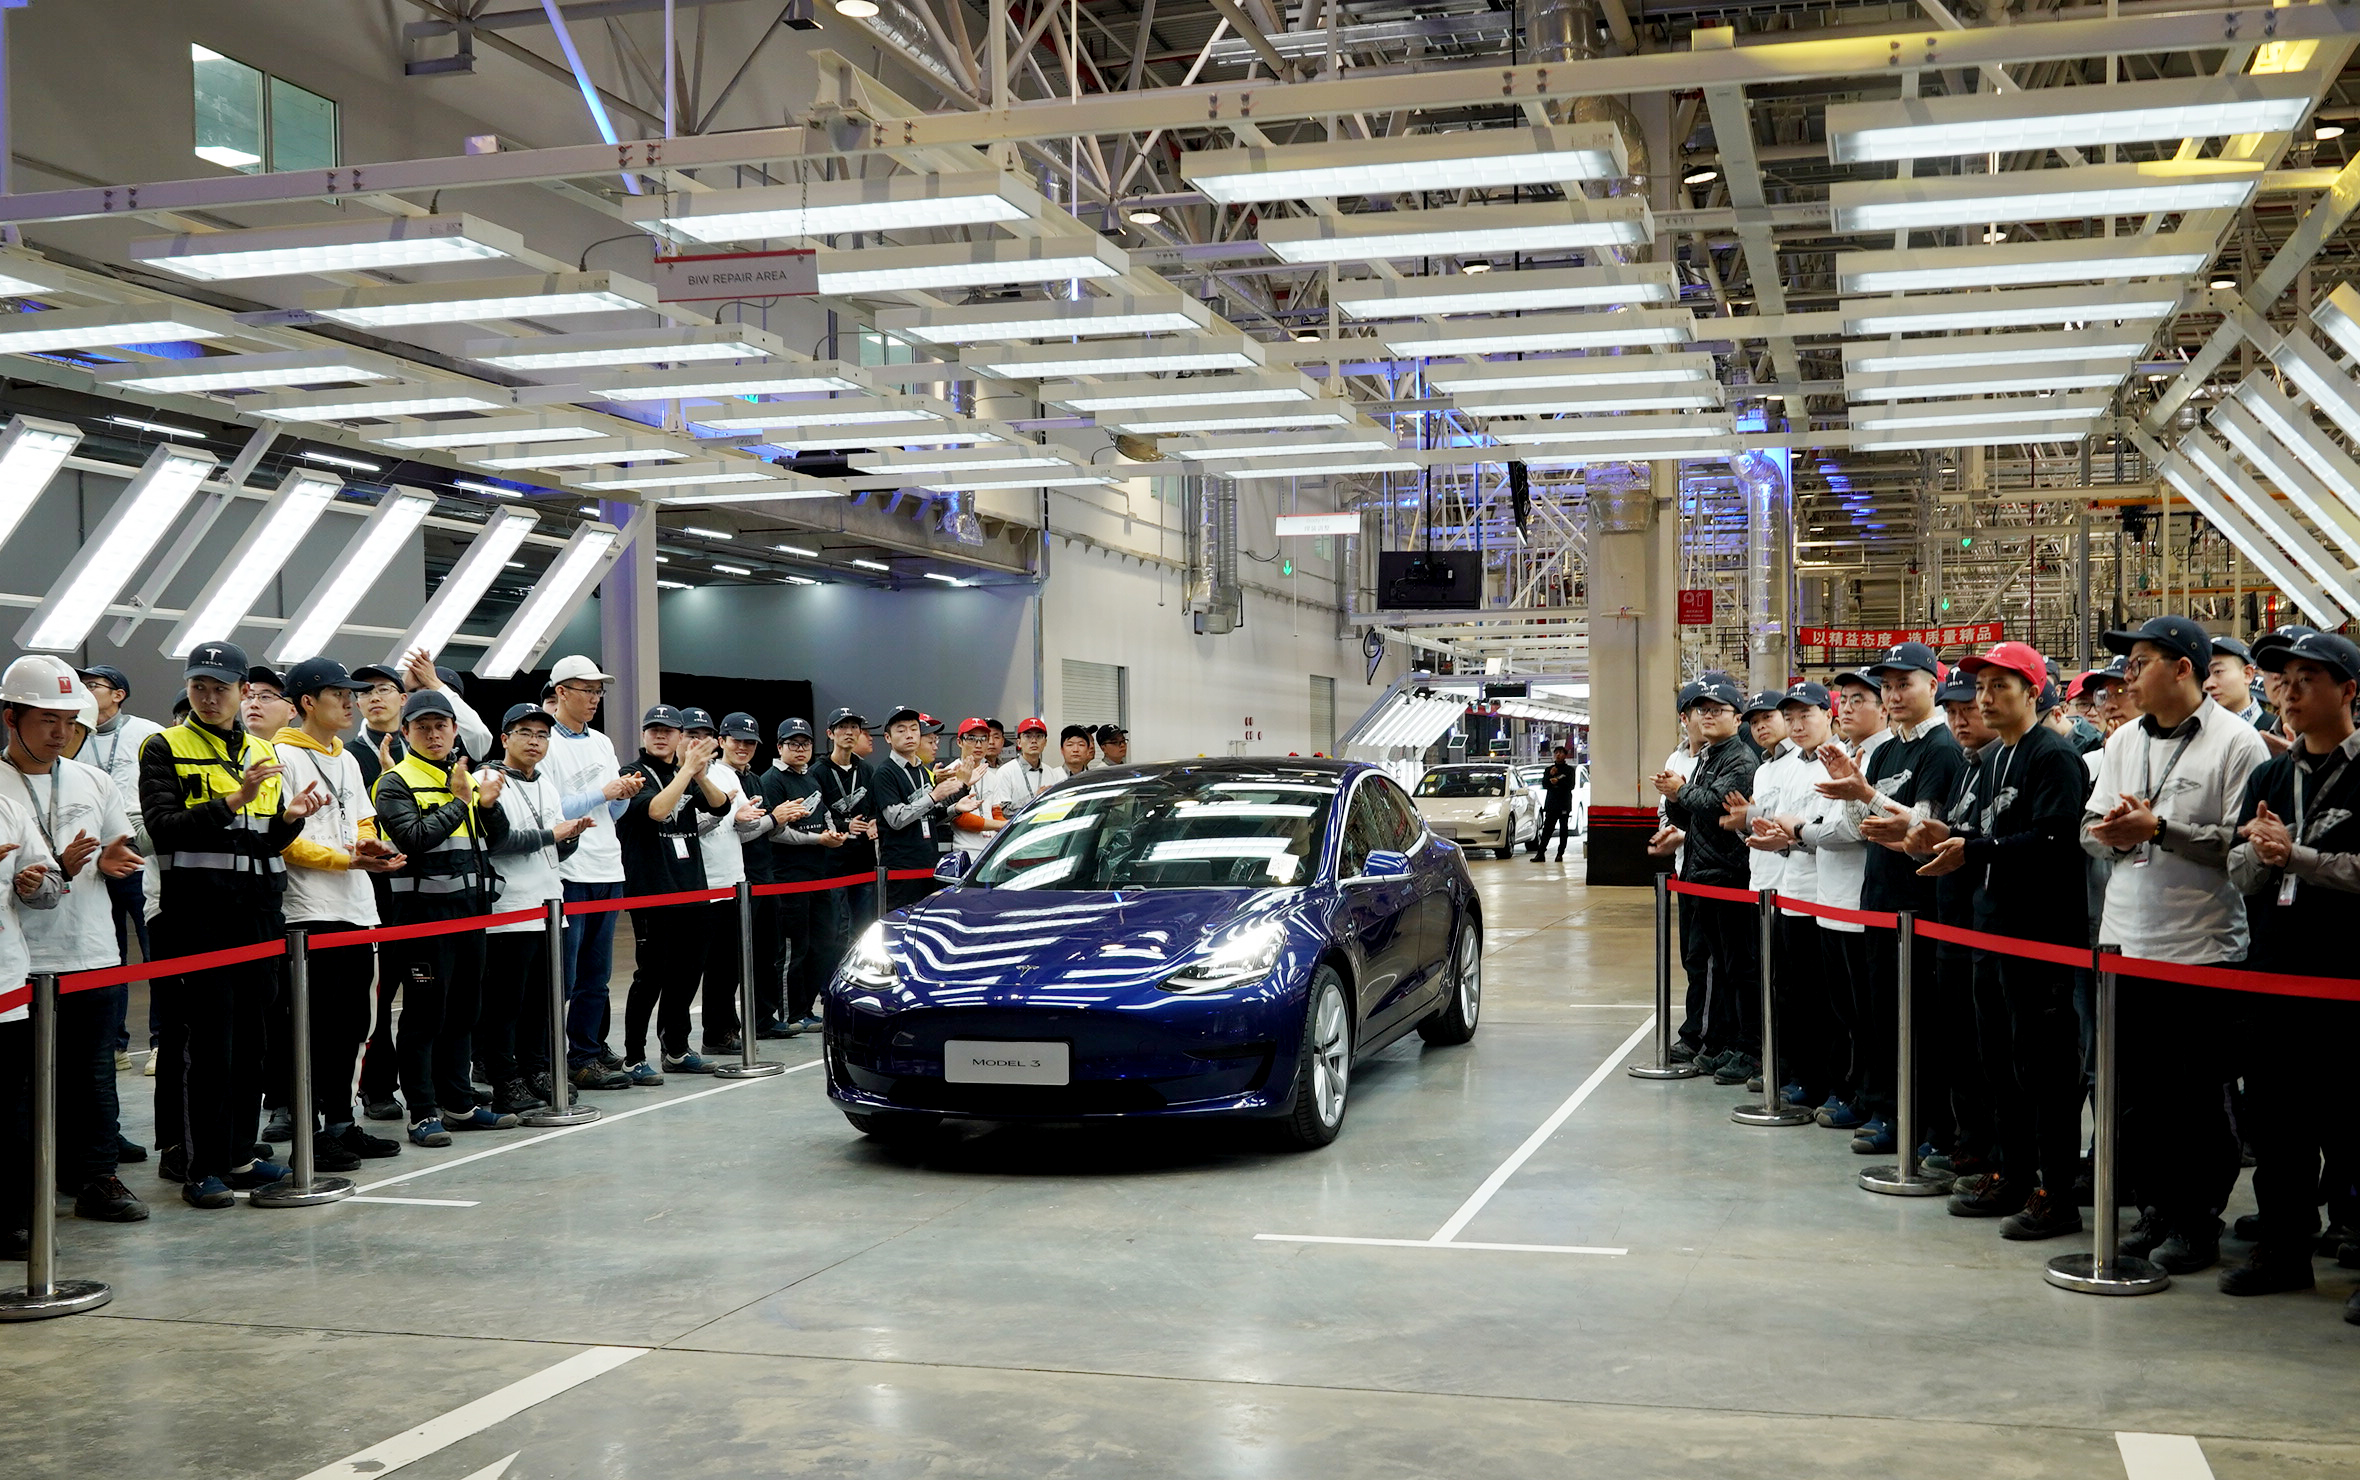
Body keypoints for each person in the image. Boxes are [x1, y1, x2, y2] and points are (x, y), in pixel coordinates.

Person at [2081, 615, 2268, 1274]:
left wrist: (2160, 829)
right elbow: (2088, 826)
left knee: (2197, 1099)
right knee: (2137, 1096)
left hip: (2200, 946)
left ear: (2183, 668)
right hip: (2124, 941)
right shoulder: (2125, 738)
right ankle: (2156, 1208)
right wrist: (2110, 833)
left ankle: (2197, 1220)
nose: (2127, 677)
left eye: (2140, 664)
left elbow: (2246, 849)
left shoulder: (2238, 743)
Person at [1919, 642, 2094, 1239]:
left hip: (2039, 937)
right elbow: (1988, 833)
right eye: (1982, 687)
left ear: (2034, 693)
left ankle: (2057, 1192)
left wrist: (1974, 849)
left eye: (2000, 687)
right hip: (1991, 931)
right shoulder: (1996, 759)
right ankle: (2014, 1172)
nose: (1986, 699)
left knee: (2045, 1071)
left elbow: (2054, 842)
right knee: (2000, 1063)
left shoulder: (2054, 756)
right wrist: (1946, 837)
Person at [141, 640, 321, 1207]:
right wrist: (232, 799)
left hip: (260, 917)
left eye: (220, 687)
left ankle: (240, 1153)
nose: (209, 696)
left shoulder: (263, 751)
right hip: (198, 918)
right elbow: (162, 827)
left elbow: (261, 843)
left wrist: (290, 821)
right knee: (208, 1045)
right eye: (199, 686)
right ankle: (202, 1166)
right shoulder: (164, 746)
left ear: (243, 691)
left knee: (252, 1042)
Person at [2224, 630, 2360, 1321]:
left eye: (2309, 678)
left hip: (2347, 981)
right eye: (2282, 679)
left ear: (2349, 691)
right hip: (2274, 976)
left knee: (2351, 1123)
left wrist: (2297, 855)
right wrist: (2260, 852)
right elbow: (2238, 871)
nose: (2291, 691)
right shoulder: (2271, 777)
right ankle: (2283, 1246)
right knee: (2278, 1122)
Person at [0, 656, 144, 1221]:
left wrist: (111, 862)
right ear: (11, 718)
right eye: (46, 720)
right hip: (18, 962)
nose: (61, 733)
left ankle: (95, 1176)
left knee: (93, 1073)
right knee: (19, 1085)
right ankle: (23, 1193)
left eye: (68, 721)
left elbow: (119, 846)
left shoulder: (93, 779)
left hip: (91, 948)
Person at [1819, 642, 1967, 1157]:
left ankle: (1930, 1128)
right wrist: (1855, 792)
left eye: (1904, 683)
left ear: (1933, 684)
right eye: (1887, 686)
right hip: (1879, 902)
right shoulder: (1884, 751)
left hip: (1919, 905)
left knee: (1922, 1024)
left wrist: (1866, 795)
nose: (1894, 694)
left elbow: (1921, 831)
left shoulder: (1941, 748)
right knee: (1884, 1019)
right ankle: (1891, 1112)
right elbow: (1863, 827)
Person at [270, 656, 407, 1170]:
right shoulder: (280, 755)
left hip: (358, 907)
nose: (352, 703)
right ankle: (308, 1132)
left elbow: (362, 818)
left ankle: (341, 1123)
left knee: (357, 1024)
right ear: (307, 702)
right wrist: (346, 860)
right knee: (312, 1029)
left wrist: (370, 848)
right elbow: (284, 841)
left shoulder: (347, 758)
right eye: (340, 695)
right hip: (307, 910)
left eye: (353, 695)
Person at [372, 689, 517, 1147]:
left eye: (441, 726)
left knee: (464, 1014)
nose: (433, 735)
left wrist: (486, 806)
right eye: (422, 727)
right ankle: (422, 1112)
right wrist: (459, 801)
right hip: (423, 920)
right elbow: (413, 838)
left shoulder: (464, 778)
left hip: (471, 917)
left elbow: (497, 839)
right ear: (405, 732)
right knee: (424, 1017)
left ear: (455, 730)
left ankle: (458, 1105)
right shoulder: (395, 782)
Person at [481, 703, 597, 1113]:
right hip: (508, 912)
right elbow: (497, 842)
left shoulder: (545, 783)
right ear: (505, 738)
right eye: (525, 733)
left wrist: (570, 836)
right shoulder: (488, 780)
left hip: (549, 907)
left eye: (542, 735)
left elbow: (556, 850)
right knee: (504, 1006)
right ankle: (504, 1078)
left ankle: (536, 1069)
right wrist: (553, 834)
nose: (535, 741)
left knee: (541, 1003)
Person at [1787, 670, 1889, 1128]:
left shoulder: (1884, 754)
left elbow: (1854, 827)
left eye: (1858, 699)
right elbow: (1824, 817)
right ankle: (1853, 1091)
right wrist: (1802, 830)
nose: (1846, 707)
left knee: (1870, 1017)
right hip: (1829, 903)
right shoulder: (1845, 755)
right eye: (1843, 699)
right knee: (1844, 1012)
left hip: (1862, 905)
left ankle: (1874, 1100)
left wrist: (1798, 832)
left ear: (1883, 708)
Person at [541, 656, 642, 1092]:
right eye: (587, 690)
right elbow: (551, 809)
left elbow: (612, 813)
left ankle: (585, 1054)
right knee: (563, 976)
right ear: (561, 692)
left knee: (596, 977)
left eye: (599, 691)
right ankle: (547, 1060)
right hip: (570, 870)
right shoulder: (546, 743)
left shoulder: (601, 742)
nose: (595, 698)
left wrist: (622, 795)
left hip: (607, 865)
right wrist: (603, 791)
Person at [1653, 676, 1759, 1080]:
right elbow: (1694, 815)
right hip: (1701, 873)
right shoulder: (1709, 757)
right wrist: (1675, 797)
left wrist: (1683, 792)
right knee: (1719, 966)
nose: (1708, 716)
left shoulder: (1739, 759)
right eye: (1703, 710)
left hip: (1729, 875)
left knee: (1738, 968)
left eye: (1718, 710)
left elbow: (1715, 806)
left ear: (1737, 718)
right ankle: (1725, 1041)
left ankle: (1748, 1047)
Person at [615, 705, 727, 1080]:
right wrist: (686, 771)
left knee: (687, 972)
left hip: (691, 886)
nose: (660, 736)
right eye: (654, 730)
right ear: (644, 735)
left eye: (668, 731)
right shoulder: (632, 773)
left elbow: (720, 806)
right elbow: (657, 810)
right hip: (652, 889)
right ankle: (634, 1056)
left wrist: (699, 774)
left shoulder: (685, 773)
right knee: (651, 975)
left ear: (680, 736)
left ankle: (676, 1048)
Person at [1746, 682, 1837, 1108]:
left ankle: (1824, 1081)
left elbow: (1825, 829)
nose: (1798, 725)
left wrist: (1790, 836)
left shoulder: (1834, 763)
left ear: (1828, 714)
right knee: (1792, 992)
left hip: (1823, 896)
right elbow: (1782, 824)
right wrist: (1777, 837)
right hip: (1789, 891)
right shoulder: (1789, 768)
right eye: (1792, 718)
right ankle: (1801, 1074)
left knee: (1822, 999)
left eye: (1806, 715)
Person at [1717, 693, 1798, 1091]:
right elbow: (1760, 826)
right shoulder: (1764, 769)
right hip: (1760, 884)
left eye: (1769, 718)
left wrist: (1751, 816)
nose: (1761, 726)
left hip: (1791, 887)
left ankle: (1789, 1067)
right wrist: (1745, 822)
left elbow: (1791, 823)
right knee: (1765, 980)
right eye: (1755, 721)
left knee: (1790, 987)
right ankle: (1771, 1059)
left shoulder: (1799, 764)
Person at [681, 706, 770, 1056]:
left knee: (727, 965)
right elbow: (683, 829)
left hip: (734, 880)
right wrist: (722, 816)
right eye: (692, 736)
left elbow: (745, 829)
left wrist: (749, 818)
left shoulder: (726, 775)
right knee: (690, 968)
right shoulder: (679, 777)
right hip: (699, 883)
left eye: (704, 736)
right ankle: (676, 1044)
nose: (699, 742)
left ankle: (720, 1032)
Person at [76, 663, 161, 995]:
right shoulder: (74, 734)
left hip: (139, 855)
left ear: (118, 694)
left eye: (92, 685)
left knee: (154, 953)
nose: (85, 692)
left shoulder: (147, 732)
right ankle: (116, 1029)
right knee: (107, 956)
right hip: (91, 858)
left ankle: (161, 1027)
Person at [756, 718, 841, 1036]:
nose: (800, 749)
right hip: (787, 877)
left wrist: (833, 833)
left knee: (823, 943)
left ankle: (806, 1008)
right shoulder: (771, 780)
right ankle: (790, 1012)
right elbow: (775, 831)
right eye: (793, 743)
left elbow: (825, 813)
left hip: (818, 874)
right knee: (794, 948)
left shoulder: (811, 779)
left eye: (805, 743)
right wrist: (817, 839)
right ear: (780, 747)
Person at [870, 705, 986, 911]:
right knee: (901, 920)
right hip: (901, 869)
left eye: (914, 729)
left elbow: (930, 816)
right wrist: (933, 796)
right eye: (901, 730)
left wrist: (955, 809)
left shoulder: (922, 771)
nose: (909, 735)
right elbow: (896, 819)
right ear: (887, 737)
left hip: (929, 863)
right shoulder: (884, 773)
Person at [816, 707, 880, 940]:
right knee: (834, 929)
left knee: (864, 928)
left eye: (854, 727)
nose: (849, 732)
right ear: (830, 733)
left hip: (863, 860)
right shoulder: (818, 772)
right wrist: (845, 826)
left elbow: (874, 807)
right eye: (842, 727)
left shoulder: (867, 769)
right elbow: (816, 814)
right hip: (832, 861)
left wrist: (873, 822)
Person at [949, 719, 1006, 861]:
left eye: (983, 739)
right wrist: (1002, 825)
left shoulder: (991, 775)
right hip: (965, 852)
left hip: (991, 850)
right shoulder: (951, 772)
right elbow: (959, 818)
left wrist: (1006, 824)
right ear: (959, 742)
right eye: (972, 738)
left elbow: (996, 812)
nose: (978, 745)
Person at [983, 718, 1053, 817]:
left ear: (1045, 742)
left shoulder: (1051, 772)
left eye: (1039, 736)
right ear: (1019, 742)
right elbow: (1003, 812)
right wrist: (1034, 799)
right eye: (1028, 736)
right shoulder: (1005, 771)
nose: (1033, 741)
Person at [1529, 746, 1579, 863]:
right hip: (1551, 804)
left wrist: (1559, 781)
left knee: (1563, 829)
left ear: (1565, 755)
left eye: (1561, 753)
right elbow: (1545, 785)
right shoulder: (1549, 769)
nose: (1558, 755)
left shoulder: (1569, 770)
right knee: (1547, 829)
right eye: (1556, 753)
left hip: (1564, 804)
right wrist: (1550, 776)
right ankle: (1540, 853)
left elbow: (1571, 786)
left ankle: (1560, 853)